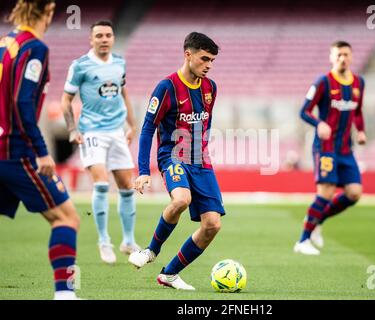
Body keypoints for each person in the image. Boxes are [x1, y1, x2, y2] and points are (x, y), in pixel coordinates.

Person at [129, 32, 224, 290]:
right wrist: (142, 170)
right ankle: (150, 250)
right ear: (188, 54)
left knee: (213, 224)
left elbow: (206, 122)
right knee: (181, 199)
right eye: (205, 59)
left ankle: (169, 274)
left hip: (200, 161)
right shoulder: (167, 87)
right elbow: (148, 128)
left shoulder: (210, 88)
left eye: (212, 60)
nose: (209, 65)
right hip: (173, 157)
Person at [0, 0, 80, 300]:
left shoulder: (5, 43)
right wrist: (42, 151)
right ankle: (65, 294)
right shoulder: (35, 48)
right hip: (15, 150)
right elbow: (22, 102)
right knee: (67, 217)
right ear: (46, 11)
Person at [61, 20, 139, 264]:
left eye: (108, 35)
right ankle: (104, 241)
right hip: (92, 132)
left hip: (117, 131)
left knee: (127, 186)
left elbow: (123, 93)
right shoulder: (80, 66)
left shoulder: (119, 62)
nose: (104, 39)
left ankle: (128, 240)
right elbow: (65, 101)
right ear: (91, 40)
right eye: (99, 36)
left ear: (113, 38)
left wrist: (132, 124)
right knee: (102, 185)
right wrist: (72, 130)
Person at [295, 41, 367, 255]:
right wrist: (320, 123)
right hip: (325, 148)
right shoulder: (323, 82)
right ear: (331, 57)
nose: (342, 58)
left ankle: (317, 221)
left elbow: (358, 111)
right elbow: (304, 111)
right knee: (325, 192)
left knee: (354, 193)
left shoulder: (359, 83)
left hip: (346, 149)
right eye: (338, 55)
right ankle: (302, 241)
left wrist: (361, 130)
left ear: (351, 56)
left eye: (346, 54)